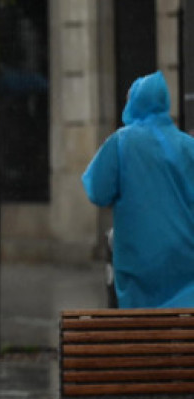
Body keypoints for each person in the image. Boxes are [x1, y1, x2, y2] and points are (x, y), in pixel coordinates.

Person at [82, 70, 194, 308]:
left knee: (139, 332)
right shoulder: (187, 146)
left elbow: (97, 191)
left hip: (139, 263)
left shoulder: (120, 143)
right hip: (185, 260)